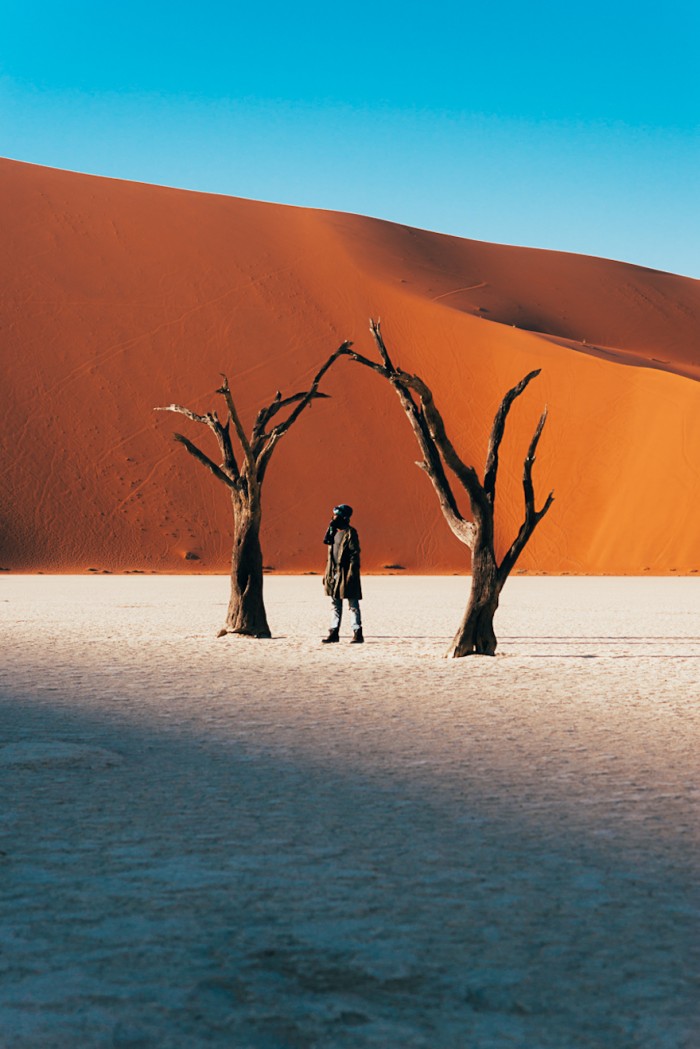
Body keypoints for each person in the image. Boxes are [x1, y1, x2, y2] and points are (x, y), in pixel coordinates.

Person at [321, 504, 363, 644]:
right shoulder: (332, 533)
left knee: (353, 605)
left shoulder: (351, 533)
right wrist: (326, 575)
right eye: (333, 515)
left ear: (344, 517)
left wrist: (352, 574)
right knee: (335, 605)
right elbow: (329, 557)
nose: (334, 518)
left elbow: (354, 555)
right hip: (333, 574)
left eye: (337, 515)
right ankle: (333, 633)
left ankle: (357, 633)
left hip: (346, 574)